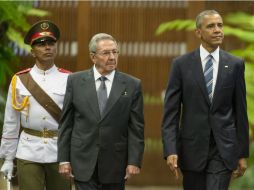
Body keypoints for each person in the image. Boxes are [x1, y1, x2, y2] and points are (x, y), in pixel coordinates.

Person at [161, 10, 249, 190]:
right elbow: (171, 113)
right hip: (191, 150)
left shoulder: (235, 64)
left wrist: (242, 153)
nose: (218, 30)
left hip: (223, 150)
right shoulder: (181, 65)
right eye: (211, 26)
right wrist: (170, 150)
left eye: (220, 25)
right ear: (198, 32)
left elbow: (240, 111)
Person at [58, 33, 145, 190]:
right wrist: (64, 160)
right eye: (106, 53)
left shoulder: (132, 84)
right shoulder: (75, 81)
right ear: (93, 57)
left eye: (115, 52)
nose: (112, 57)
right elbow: (66, 123)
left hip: (115, 163)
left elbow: (136, 127)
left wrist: (134, 161)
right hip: (82, 160)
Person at [0, 20, 71, 190]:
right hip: (29, 150)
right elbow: (11, 121)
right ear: (32, 51)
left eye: (51, 43)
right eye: (41, 44)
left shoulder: (70, 79)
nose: (47, 47)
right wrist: (8, 159)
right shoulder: (20, 80)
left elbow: (76, 119)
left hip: (60, 152)